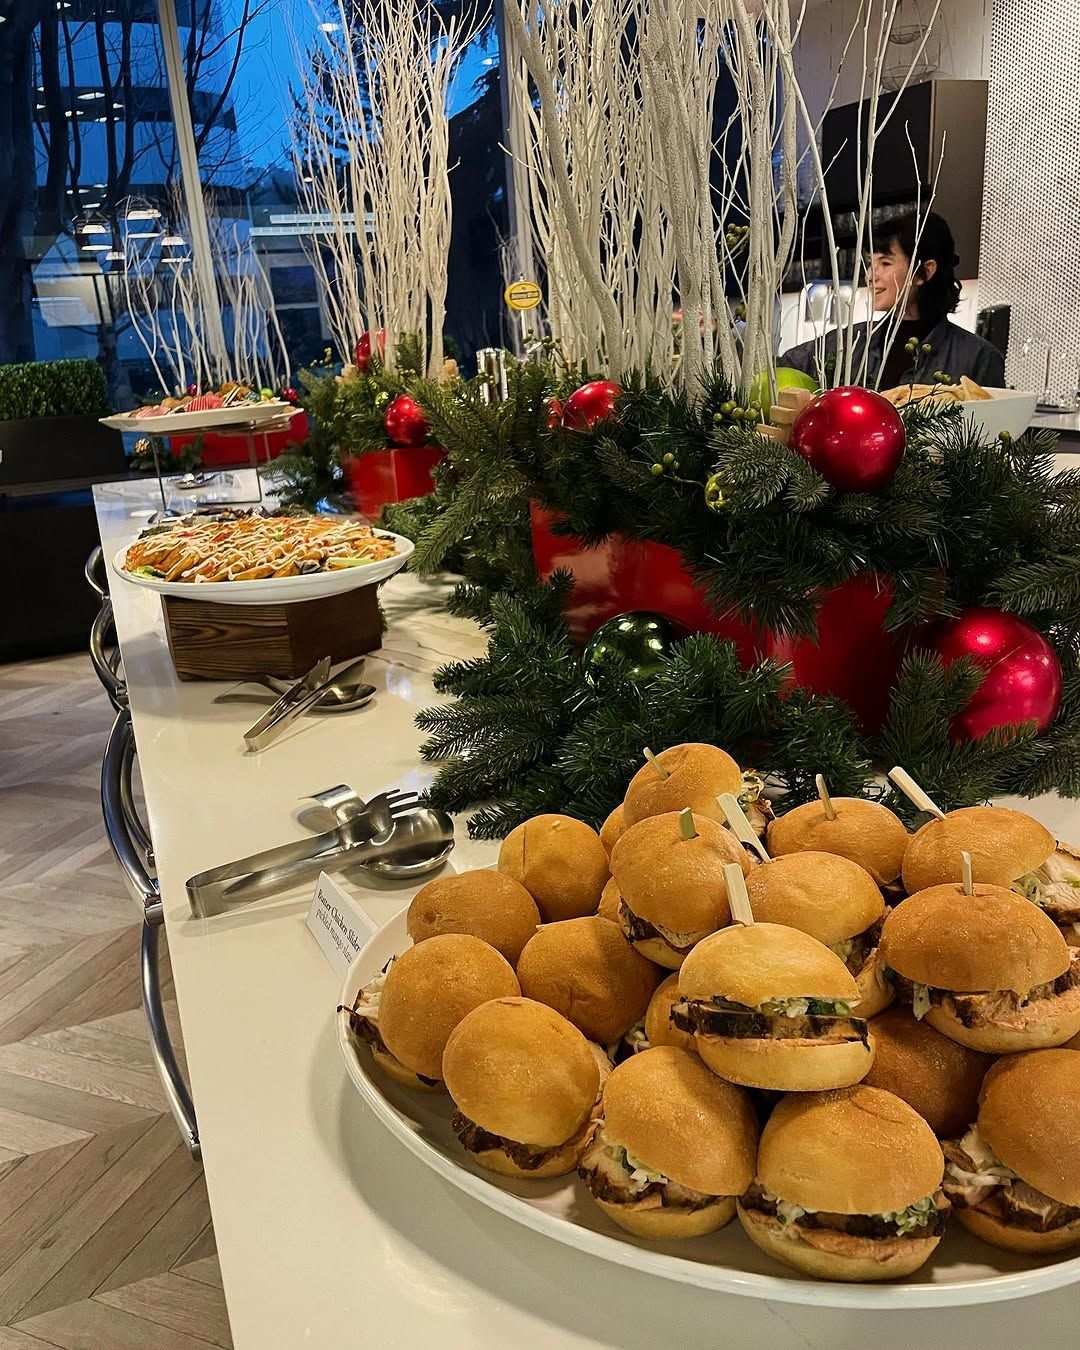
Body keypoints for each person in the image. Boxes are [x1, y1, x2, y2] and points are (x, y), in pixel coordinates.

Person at [780, 211, 1005, 390]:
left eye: (885, 263)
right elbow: (779, 370)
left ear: (925, 271)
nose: (870, 275)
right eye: (871, 263)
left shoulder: (978, 359)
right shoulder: (849, 343)